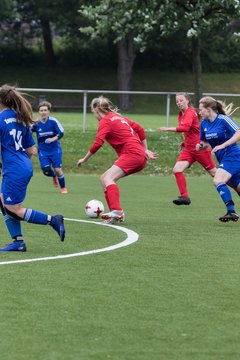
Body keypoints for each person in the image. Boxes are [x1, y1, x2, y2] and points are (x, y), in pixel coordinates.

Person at [0, 85, 65, 252]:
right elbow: (32, 150)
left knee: (14, 210)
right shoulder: (20, 118)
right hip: (23, 166)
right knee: (3, 201)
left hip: (14, 169)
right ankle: (18, 242)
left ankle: (53, 220)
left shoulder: (1, 119)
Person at [77, 96, 158, 224]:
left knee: (108, 178)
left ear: (97, 109)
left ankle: (117, 211)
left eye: (93, 113)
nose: (94, 116)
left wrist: (85, 159)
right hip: (138, 155)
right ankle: (114, 215)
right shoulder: (119, 117)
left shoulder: (106, 121)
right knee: (103, 178)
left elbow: (98, 143)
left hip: (132, 153)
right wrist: (145, 149)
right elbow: (140, 129)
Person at [158, 92, 216, 205]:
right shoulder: (181, 114)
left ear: (187, 101)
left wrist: (167, 129)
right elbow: (192, 131)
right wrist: (185, 142)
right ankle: (185, 197)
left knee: (215, 174)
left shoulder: (190, 112)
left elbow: (185, 127)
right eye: (177, 101)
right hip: (189, 149)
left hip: (200, 148)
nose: (179, 103)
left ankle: (236, 186)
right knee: (177, 170)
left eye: (181, 100)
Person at [197, 96, 240, 222]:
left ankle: (231, 211)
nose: (200, 112)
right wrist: (200, 146)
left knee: (218, 180)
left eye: (201, 109)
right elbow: (205, 142)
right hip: (223, 158)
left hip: (232, 155)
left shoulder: (223, 119)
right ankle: (232, 212)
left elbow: (239, 132)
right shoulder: (204, 124)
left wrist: (223, 145)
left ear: (209, 109)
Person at [31, 101, 68, 194]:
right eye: (41, 110)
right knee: (46, 170)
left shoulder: (53, 121)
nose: (43, 112)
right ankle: (53, 176)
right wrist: (31, 147)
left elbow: (61, 133)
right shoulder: (36, 123)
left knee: (58, 169)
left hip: (55, 150)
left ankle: (63, 187)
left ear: (49, 111)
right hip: (43, 151)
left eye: (45, 110)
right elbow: (28, 133)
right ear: (39, 112)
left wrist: (52, 139)